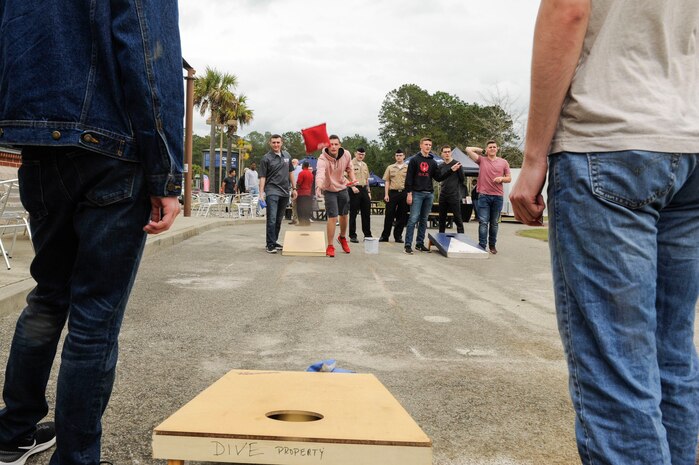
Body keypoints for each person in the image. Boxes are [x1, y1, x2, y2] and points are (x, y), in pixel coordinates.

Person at [510, 1, 699, 464]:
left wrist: (534, 157)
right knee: (671, 349)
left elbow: (568, 9)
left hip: (610, 135)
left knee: (616, 362)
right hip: (689, 139)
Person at [0, 1, 183, 464]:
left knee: (48, 295)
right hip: (112, 150)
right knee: (94, 315)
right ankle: (76, 458)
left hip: (39, 147)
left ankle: (13, 430)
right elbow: (149, 54)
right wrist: (166, 174)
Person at [465, 141, 511, 254]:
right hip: (484, 196)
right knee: (483, 222)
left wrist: (502, 178)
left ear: (497, 149)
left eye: (494, 147)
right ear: (487, 149)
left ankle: (492, 245)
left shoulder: (503, 162)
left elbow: (509, 178)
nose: (492, 149)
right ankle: (482, 245)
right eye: (490, 147)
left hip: (498, 196)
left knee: (494, 223)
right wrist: (481, 150)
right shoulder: (482, 160)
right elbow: (468, 149)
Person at [315, 135, 356, 257]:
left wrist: (353, 179)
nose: (333, 146)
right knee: (332, 217)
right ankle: (330, 245)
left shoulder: (346, 154)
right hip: (329, 190)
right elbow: (320, 174)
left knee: (344, 215)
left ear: (340, 145)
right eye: (330, 144)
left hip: (342, 187)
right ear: (327, 145)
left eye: (335, 144)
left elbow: (350, 169)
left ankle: (342, 237)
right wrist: (318, 186)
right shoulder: (322, 159)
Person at [404, 138, 447, 254]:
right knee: (413, 219)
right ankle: (408, 245)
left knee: (424, 220)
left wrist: (450, 170)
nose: (428, 146)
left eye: (430, 145)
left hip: (429, 194)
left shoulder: (433, 162)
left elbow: (438, 177)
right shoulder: (414, 160)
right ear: (421, 145)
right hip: (416, 193)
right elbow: (409, 178)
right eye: (426, 144)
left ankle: (419, 243)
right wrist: (409, 193)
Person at [259, 135, 296, 254]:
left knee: (279, 219)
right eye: (274, 142)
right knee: (272, 218)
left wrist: (294, 188)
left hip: (285, 191)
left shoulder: (287, 156)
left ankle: (274, 241)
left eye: (278, 142)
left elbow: (291, 172)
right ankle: (269, 244)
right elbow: (263, 177)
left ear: (281, 143)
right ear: (270, 143)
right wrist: (261, 193)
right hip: (272, 191)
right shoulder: (266, 158)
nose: (276, 144)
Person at [379, 149, 409, 243]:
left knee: (402, 215)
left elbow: (410, 182)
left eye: (400, 155)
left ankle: (398, 236)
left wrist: (409, 194)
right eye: (397, 155)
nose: (398, 157)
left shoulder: (408, 168)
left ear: (404, 156)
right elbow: (387, 181)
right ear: (395, 156)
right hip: (393, 193)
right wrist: (386, 194)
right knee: (389, 215)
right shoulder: (390, 167)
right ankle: (385, 236)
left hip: (404, 192)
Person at [435, 146, 464, 234]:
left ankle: (461, 239)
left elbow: (462, 179)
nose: (447, 153)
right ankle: (441, 238)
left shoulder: (457, 164)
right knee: (442, 218)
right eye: (445, 152)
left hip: (454, 195)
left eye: (448, 151)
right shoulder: (440, 166)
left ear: (451, 153)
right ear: (442, 154)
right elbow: (439, 178)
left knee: (458, 218)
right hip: (443, 194)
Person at [347, 147, 372, 243]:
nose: (361, 156)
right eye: (359, 154)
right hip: (354, 189)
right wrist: (352, 187)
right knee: (353, 213)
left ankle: (367, 234)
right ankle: (352, 235)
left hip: (364, 189)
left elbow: (367, 180)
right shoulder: (350, 163)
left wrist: (369, 192)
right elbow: (346, 176)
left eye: (363, 154)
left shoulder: (365, 165)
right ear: (355, 154)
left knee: (366, 213)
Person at [296, 161, 314, 226]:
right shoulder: (311, 174)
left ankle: (301, 222)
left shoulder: (301, 173)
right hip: (308, 193)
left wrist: (295, 189)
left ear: (303, 166)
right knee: (306, 208)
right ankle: (307, 222)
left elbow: (299, 183)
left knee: (300, 208)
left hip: (301, 193)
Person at [289, 158, 301, 225]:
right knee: (293, 205)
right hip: (292, 188)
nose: (292, 163)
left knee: (298, 204)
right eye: (292, 162)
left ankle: (298, 219)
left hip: (298, 188)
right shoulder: (290, 170)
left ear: (297, 163)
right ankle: (294, 219)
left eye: (293, 162)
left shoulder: (300, 168)